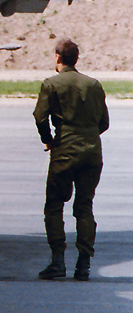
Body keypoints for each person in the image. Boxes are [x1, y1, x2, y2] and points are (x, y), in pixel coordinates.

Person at [33, 38, 109, 281]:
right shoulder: (94, 85)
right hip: (92, 152)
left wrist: (49, 140)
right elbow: (104, 123)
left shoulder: (51, 84)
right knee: (85, 206)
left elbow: (40, 118)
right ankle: (84, 264)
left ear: (58, 57)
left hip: (65, 150)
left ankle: (57, 261)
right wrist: (87, 136)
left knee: (55, 204)